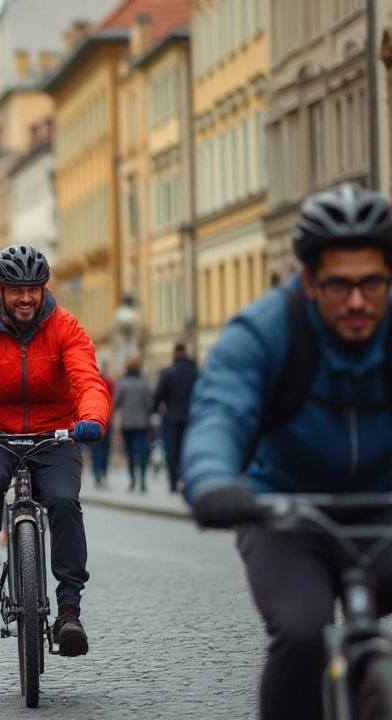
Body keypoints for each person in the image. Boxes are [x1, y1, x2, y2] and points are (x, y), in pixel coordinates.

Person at [183, 184, 392, 720]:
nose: (357, 302)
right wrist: (212, 481)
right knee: (303, 632)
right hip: (285, 512)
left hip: (385, 508)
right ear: (308, 280)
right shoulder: (265, 329)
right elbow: (219, 416)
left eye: (372, 283)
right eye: (339, 285)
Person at [0, 243, 110, 658]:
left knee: (65, 501)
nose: (27, 298)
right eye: (16, 290)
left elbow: (89, 381)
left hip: (55, 433)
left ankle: (69, 609)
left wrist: (92, 419)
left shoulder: (66, 327)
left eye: (34, 288)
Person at [152, 343, 198, 493]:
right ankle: (186, 479)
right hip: (191, 417)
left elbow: (158, 396)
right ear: (185, 353)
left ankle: (173, 481)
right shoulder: (195, 373)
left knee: (172, 450)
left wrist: (156, 409)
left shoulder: (167, 373)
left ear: (175, 353)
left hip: (171, 417)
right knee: (187, 449)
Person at [113, 356, 152, 492]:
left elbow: (116, 402)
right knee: (141, 451)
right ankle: (142, 478)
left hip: (127, 423)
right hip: (142, 422)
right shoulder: (145, 382)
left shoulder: (122, 382)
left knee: (129, 451)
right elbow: (150, 403)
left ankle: (132, 479)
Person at [88, 361, 115, 486]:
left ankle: (97, 472)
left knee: (96, 449)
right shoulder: (109, 382)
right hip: (106, 420)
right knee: (105, 449)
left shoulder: (90, 382)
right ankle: (102, 471)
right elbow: (113, 400)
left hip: (94, 420)